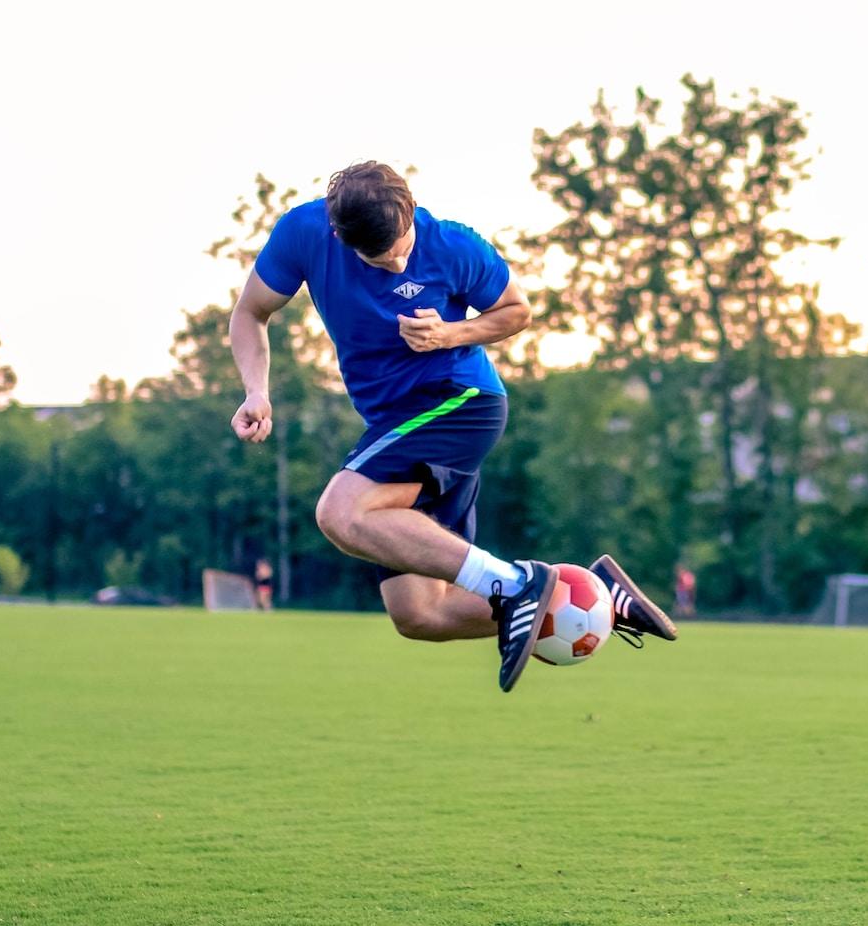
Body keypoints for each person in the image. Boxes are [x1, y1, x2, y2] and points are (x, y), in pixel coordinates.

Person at [227, 162, 676, 691]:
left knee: (340, 514)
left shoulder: (454, 246)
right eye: (378, 258)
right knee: (421, 615)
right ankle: (596, 599)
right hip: (395, 421)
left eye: (401, 246)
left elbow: (516, 311)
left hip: (459, 401)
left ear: (411, 211)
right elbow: (250, 314)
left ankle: (518, 584)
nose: (396, 264)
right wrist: (257, 390)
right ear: (338, 236)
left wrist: (452, 333)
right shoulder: (302, 233)